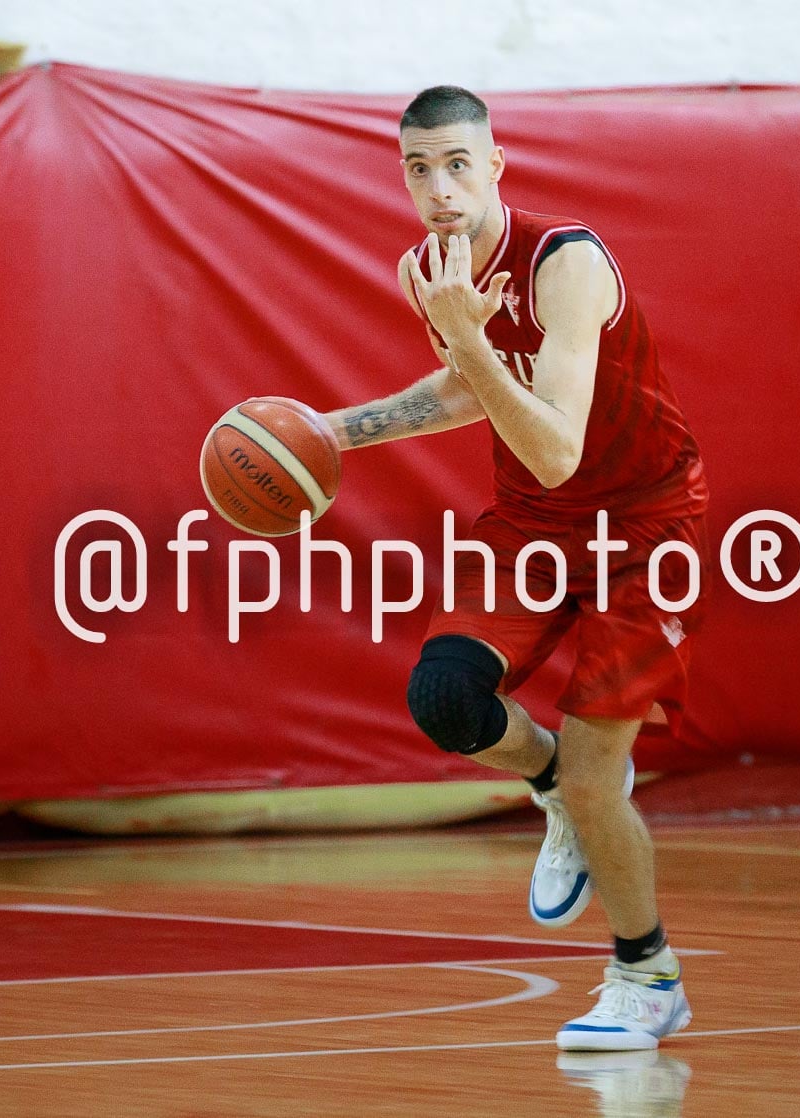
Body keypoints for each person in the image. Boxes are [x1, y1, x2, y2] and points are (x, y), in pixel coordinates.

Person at [323, 85, 708, 1051]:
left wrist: (470, 338)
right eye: (419, 168)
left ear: (495, 165)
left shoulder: (564, 262)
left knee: (597, 771)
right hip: (537, 526)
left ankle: (646, 974)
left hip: (645, 527)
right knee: (445, 700)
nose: (440, 188)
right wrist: (329, 433)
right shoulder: (430, 268)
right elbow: (468, 389)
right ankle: (552, 790)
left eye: (458, 163)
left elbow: (556, 449)